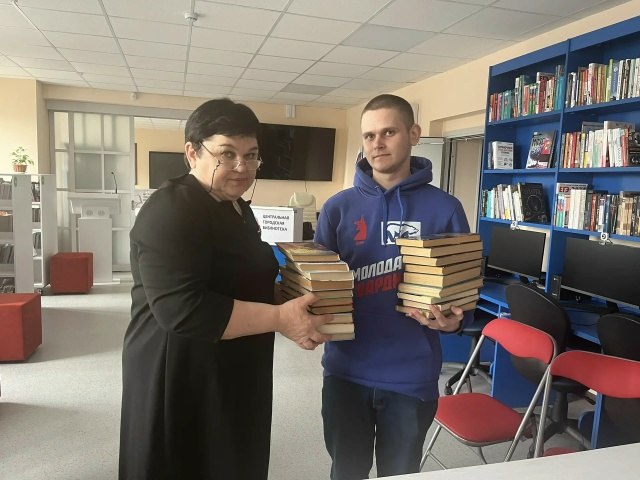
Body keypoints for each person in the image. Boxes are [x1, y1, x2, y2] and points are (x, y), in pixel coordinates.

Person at [119, 98, 330, 480]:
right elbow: (183, 309)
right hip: (182, 372)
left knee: (234, 457)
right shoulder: (171, 210)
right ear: (192, 153)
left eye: (251, 155)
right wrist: (281, 319)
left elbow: (244, 276)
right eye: (227, 154)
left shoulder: (236, 207)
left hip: (233, 364)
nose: (241, 167)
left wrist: (294, 306)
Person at [314, 94, 474, 479]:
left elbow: (461, 294)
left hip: (411, 376)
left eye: (389, 132)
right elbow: (316, 287)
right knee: (345, 472)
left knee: (400, 473)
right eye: (369, 136)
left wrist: (454, 321)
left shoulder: (446, 209)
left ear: (414, 134)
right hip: (346, 371)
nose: (377, 144)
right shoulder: (337, 208)